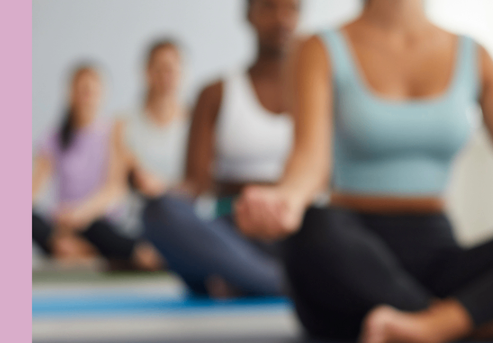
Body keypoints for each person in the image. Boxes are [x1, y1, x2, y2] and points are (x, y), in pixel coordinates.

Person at [234, 0, 493, 343]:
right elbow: (309, 160)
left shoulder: (474, 55)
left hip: (439, 258)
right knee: (311, 226)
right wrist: (285, 201)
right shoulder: (319, 48)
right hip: (347, 268)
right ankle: (471, 320)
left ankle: (438, 324)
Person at [139, 0, 299, 298]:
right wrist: (163, 191)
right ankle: (282, 284)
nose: (281, 19)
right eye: (270, 7)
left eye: (291, 9)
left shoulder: (319, 92)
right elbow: (195, 186)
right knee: (159, 211)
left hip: (299, 230)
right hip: (235, 234)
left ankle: (241, 279)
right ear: (250, 15)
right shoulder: (216, 93)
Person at [32, 63, 161, 271]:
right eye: (81, 89)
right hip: (63, 226)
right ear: (70, 93)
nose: (86, 95)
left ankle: (79, 251)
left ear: (102, 93)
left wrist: (80, 213)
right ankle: (73, 248)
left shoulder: (113, 132)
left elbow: (114, 189)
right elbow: (34, 188)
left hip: (98, 221)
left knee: (106, 233)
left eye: (91, 90)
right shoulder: (53, 138)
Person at [118, 38, 189, 208]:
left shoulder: (197, 123)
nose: (167, 76)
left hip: (187, 216)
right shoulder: (122, 126)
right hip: (140, 221)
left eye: (173, 69)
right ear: (147, 72)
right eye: (161, 69)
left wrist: (163, 188)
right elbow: (115, 186)